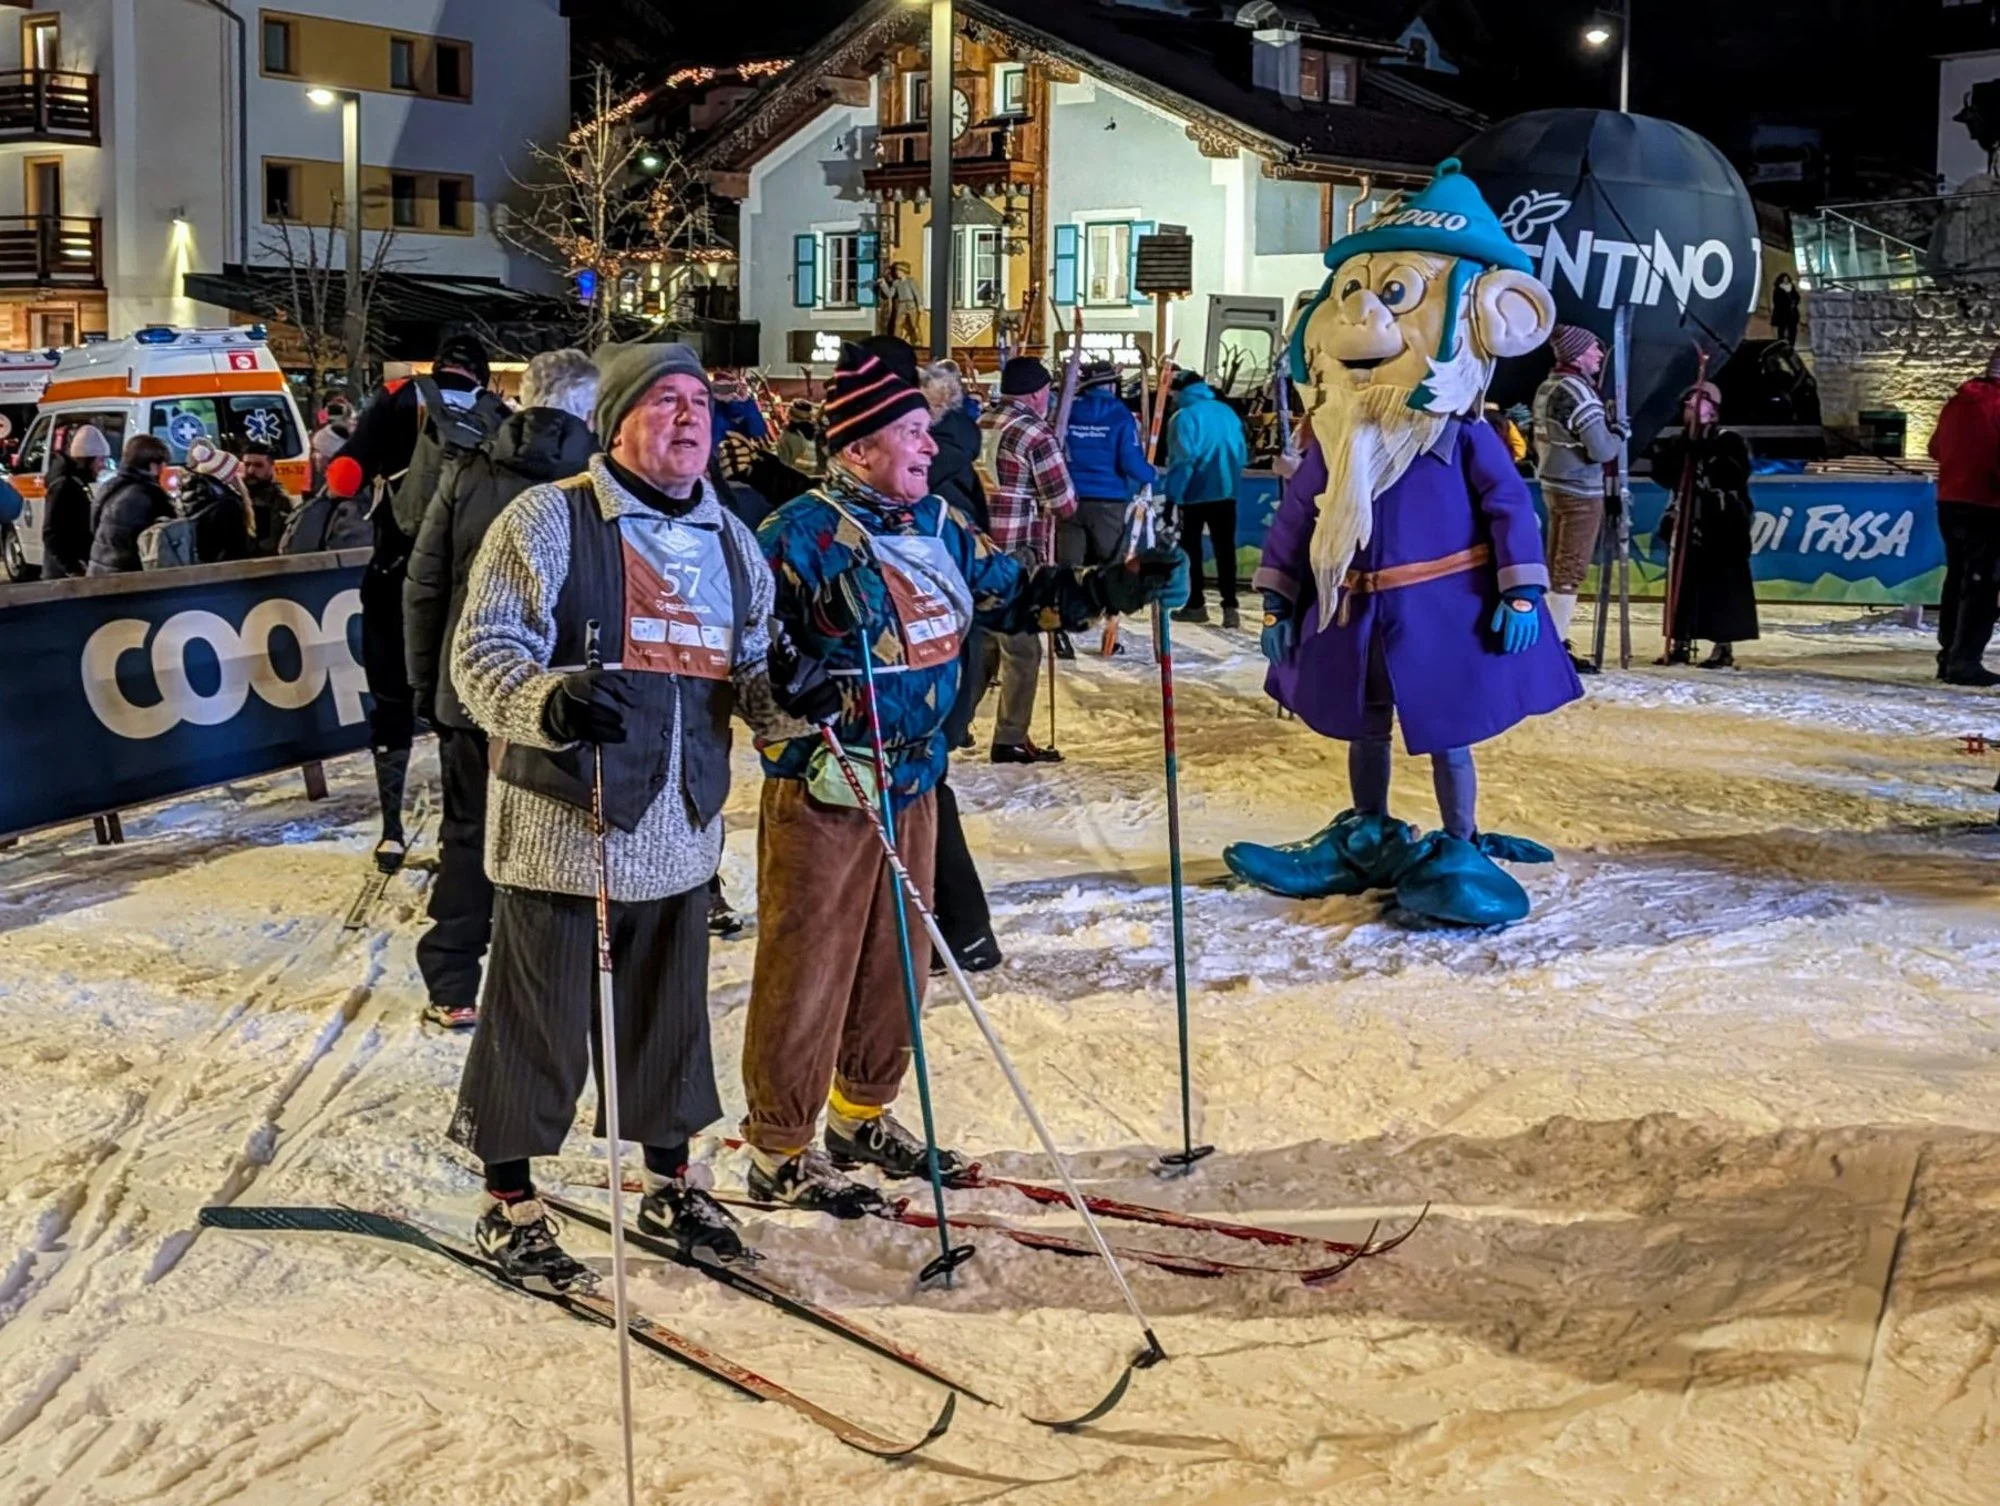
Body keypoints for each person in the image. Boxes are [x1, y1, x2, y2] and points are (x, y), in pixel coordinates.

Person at [743, 342, 1187, 1213]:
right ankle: (778, 1147)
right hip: (830, 784)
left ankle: (860, 1114)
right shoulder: (793, 535)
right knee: (810, 968)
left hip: (914, 779)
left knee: (896, 963)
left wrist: (1115, 584)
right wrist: (805, 667)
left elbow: (1016, 595)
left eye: (926, 429)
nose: (930, 444)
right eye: (912, 431)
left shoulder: (939, 526)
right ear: (859, 446)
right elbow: (751, 671)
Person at [447, 342, 805, 1285]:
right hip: (569, 821)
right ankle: (509, 1200)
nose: (690, 417)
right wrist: (551, 701)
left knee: (668, 1024)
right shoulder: (551, 518)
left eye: (701, 403)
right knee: (540, 1025)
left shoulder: (731, 541)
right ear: (614, 424)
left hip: (680, 826)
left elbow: (754, 678)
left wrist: (800, 695)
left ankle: (670, 1182)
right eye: (664, 401)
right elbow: (482, 654)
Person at [1222, 157, 1578, 928]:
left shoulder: (1462, 434)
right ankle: (1370, 830)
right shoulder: (1336, 439)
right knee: (1366, 726)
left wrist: (1521, 591)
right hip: (1354, 614)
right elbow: (1299, 517)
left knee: (1448, 734)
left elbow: (1510, 508)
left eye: (1393, 294)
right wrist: (1279, 600)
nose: (1362, 317)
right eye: (1351, 293)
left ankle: (1461, 842)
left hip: (1442, 615)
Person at [405, 349, 600, 1033]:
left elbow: (425, 583)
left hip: (471, 688)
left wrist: (427, 683)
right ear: (588, 408)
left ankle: (454, 979)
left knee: (468, 833)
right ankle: (555, 990)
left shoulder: (469, 469)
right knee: (567, 842)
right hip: (569, 696)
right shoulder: (601, 482)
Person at [331, 332, 508, 873]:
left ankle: (391, 831)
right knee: (465, 705)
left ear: (439, 364)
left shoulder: (398, 397)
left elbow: (343, 477)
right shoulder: (497, 414)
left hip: (395, 572)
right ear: (482, 373)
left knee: (391, 697)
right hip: (468, 584)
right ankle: (466, 831)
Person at [976, 355, 1075, 764]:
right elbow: (1063, 502)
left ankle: (952, 724)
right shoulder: (1035, 432)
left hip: (974, 548)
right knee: (1022, 649)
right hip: (1014, 547)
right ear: (1037, 393)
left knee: (983, 641)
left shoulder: (980, 421)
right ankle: (1010, 737)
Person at [1532, 325, 1623, 672]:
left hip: (1554, 484)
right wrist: (1618, 434)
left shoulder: (1548, 386)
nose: (1599, 355)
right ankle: (1553, 647)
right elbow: (1601, 450)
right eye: (1593, 349)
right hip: (1580, 489)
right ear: (1578, 354)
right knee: (1570, 570)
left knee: (1555, 564)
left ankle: (1548, 639)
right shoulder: (1578, 391)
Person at [1652, 381, 1759, 670]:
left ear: (1713, 409)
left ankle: (1722, 646)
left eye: (1698, 402)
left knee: (1721, 585)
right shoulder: (1679, 442)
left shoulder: (1728, 440)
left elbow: (1733, 474)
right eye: (1688, 404)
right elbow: (1663, 474)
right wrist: (1683, 448)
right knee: (1684, 581)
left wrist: (1703, 448)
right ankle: (1680, 641)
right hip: (1687, 519)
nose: (1691, 408)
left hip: (1721, 523)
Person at [1927, 348, 2000, 686]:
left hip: (1950, 501)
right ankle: (1965, 660)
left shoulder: (1957, 402)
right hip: (1988, 504)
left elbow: (1935, 448)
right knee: (1981, 586)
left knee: (1957, 579)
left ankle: (1948, 654)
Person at [1163, 369, 1251, 627]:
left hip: (1194, 494)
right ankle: (1230, 606)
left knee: (1191, 551)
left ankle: (1195, 604)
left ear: (1179, 391)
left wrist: (1172, 497)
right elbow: (1242, 453)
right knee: (1225, 549)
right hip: (1226, 491)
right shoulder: (1227, 412)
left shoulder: (1183, 417)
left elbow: (1182, 461)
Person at [1062, 360, 1154, 569]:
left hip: (1069, 498)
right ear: (1111, 384)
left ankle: (1070, 590)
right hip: (1107, 500)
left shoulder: (1068, 411)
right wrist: (1150, 474)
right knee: (1111, 565)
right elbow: (1130, 461)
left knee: (1069, 567)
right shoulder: (1119, 414)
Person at [86, 435, 174, 575]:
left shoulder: (110, 486)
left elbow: (93, 526)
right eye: (163, 465)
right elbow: (166, 541)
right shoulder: (150, 495)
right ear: (153, 466)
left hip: (98, 571)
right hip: (127, 577)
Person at [39, 423, 109, 579]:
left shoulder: (74, 483)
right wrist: (72, 568)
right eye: (100, 459)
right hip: (62, 576)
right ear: (88, 459)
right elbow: (51, 533)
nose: (103, 465)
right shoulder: (64, 485)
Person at [181, 439, 258, 563]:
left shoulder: (192, 497)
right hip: (226, 571)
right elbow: (236, 551)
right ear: (228, 476)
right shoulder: (229, 505)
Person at [239, 442, 291, 555]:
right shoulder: (237, 492)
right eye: (247, 465)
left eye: (258, 465)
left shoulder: (279, 499)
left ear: (272, 466)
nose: (251, 470)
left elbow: (273, 542)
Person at [710, 373, 770, 447]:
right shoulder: (712, 406)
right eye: (722, 388)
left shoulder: (746, 404)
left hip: (742, 448)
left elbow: (758, 430)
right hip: (718, 447)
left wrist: (744, 399)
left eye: (731, 387)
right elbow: (714, 436)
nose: (728, 391)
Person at [876, 260, 922, 345]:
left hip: (911, 304)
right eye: (896, 271)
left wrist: (920, 304)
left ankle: (918, 340)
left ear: (904, 271)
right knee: (898, 324)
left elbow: (917, 293)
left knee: (914, 324)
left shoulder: (911, 281)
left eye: (899, 271)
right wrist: (883, 284)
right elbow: (890, 294)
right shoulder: (896, 283)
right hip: (901, 304)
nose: (897, 273)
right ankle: (896, 341)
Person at [773, 399, 822, 478]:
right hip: (819, 475)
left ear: (790, 415)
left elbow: (783, 462)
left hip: (798, 477)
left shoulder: (787, 436)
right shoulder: (819, 431)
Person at [1772, 272, 1801, 347]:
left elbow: (1797, 297)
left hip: (1792, 313)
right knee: (1781, 329)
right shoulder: (1778, 289)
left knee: (1793, 330)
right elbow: (1776, 301)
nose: (1786, 280)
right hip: (1782, 313)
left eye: (1787, 279)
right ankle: (1781, 345)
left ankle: (1791, 345)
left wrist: (1794, 303)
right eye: (1784, 279)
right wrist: (1786, 304)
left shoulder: (1792, 288)